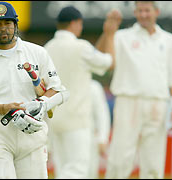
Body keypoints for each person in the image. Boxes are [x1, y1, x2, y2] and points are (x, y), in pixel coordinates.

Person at [0, 2, 69, 179]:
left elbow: (56, 90)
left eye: (8, 24)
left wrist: (42, 104)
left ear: (15, 25)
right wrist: (1, 108)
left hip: (32, 136)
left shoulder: (37, 53)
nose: (3, 29)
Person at [97, 2, 172, 178]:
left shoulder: (168, 39)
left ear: (156, 12)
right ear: (135, 12)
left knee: (154, 160)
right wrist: (108, 33)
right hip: (128, 101)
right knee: (120, 157)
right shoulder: (122, 36)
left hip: (157, 103)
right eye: (140, 11)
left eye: (147, 11)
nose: (144, 15)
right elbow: (101, 56)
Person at [44, 6, 118, 178]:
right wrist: (111, 34)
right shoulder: (81, 47)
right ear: (74, 23)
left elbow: (94, 57)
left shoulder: (47, 48)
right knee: (77, 169)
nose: (81, 28)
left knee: (63, 169)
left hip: (54, 120)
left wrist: (105, 34)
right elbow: (109, 63)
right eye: (80, 24)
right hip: (77, 119)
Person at [87, 79, 111, 178]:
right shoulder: (60, 86)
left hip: (90, 137)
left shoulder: (93, 87)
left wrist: (102, 138)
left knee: (90, 173)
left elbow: (102, 114)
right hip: (65, 137)